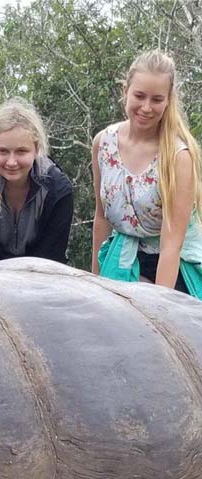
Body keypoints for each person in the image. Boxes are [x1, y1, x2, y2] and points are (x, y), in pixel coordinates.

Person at [91, 50, 202, 296]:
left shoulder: (177, 156)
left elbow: (172, 244)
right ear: (125, 91)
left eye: (156, 99)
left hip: (172, 264)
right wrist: (94, 284)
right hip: (121, 256)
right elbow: (101, 219)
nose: (146, 107)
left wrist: (159, 305)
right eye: (139, 96)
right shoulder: (103, 143)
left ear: (168, 101)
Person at [0, 99, 73, 266]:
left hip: (43, 280)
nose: (11, 162)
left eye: (21, 151)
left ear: (36, 150)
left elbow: (50, 258)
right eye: (2, 151)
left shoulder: (59, 191)